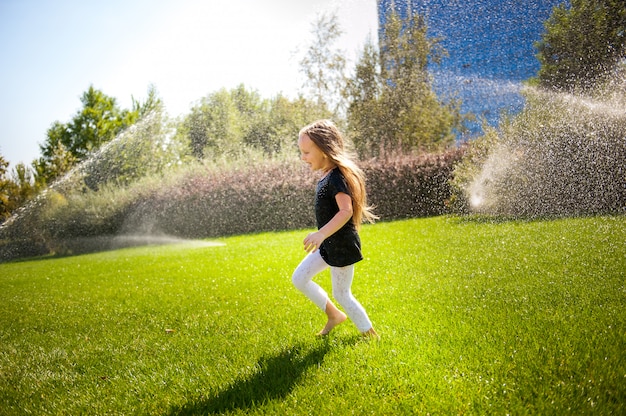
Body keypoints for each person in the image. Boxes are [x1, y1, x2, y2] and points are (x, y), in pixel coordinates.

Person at [292, 119, 379, 338]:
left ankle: (370, 335)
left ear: (322, 150)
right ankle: (334, 315)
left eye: (306, 152)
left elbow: (346, 211)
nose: (303, 157)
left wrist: (321, 233)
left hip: (341, 247)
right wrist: (322, 237)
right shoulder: (326, 177)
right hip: (328, 244)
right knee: (299, 278)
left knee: (342, 294)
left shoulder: (337, 178)